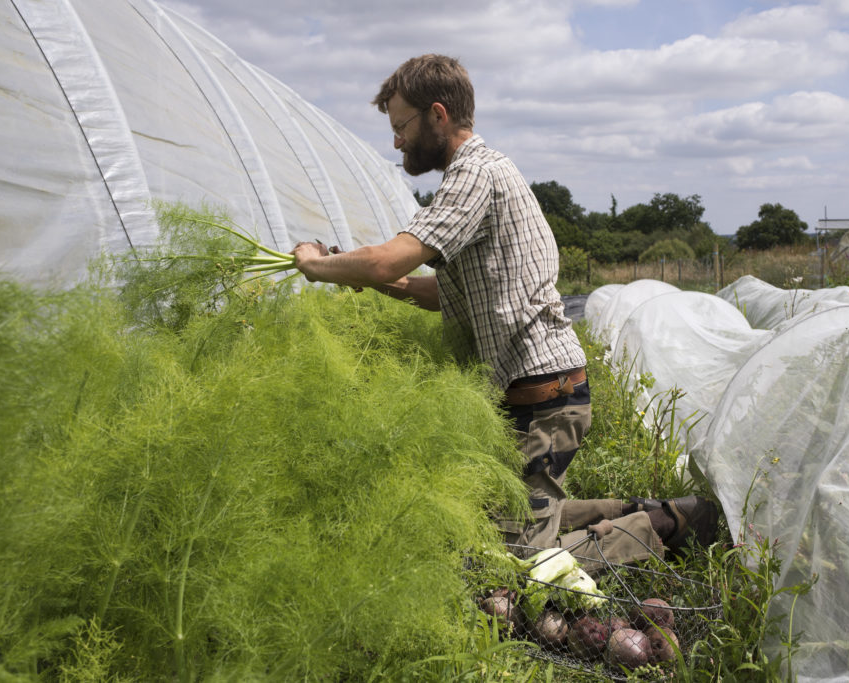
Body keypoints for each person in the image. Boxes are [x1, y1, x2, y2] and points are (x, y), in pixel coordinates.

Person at [291, 54, 716, 565]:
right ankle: (651, 508)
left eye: (401, 125)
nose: (397, 140)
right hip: (533, 391)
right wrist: (367, 276)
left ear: (438, 114)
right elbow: (434, 292)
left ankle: (663, 525)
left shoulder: (475, 175)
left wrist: (316, 266)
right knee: (507, 512)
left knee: (520, 560)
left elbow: (387, 261)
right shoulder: (481, 175)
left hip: (543, 396)